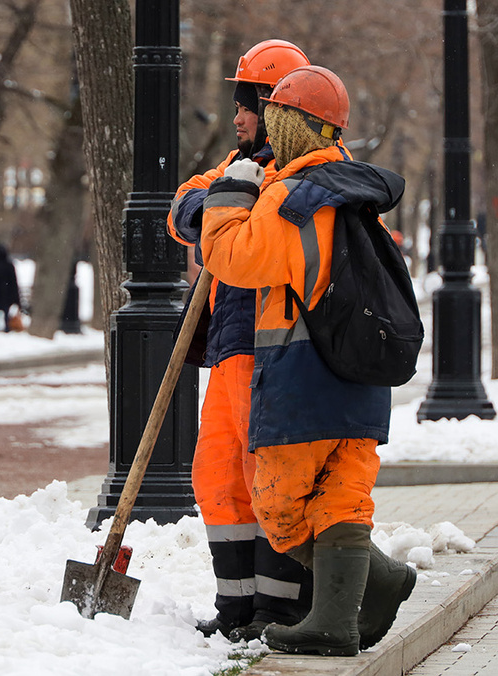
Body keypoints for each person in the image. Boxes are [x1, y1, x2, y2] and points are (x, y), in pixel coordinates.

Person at [200, 65, 415, 656]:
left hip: (305, 378)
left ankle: (375, 586)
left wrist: (229, 197)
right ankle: (337, 623)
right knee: (343, 497)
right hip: (363, 379)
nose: (266, 125)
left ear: (295, 126)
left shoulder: (294, 198)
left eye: (277, 118)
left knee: (280, 508)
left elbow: (234, 259)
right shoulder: (357, 188)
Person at [166, 39, 314, 642]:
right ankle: (238, 608)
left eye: (245, 106)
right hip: (231, 350)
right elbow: (182, 210)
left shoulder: (305, 176)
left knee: (269, 481)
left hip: (277, 351)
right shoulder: (235, 169)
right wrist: (226, 198)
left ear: (273, 107)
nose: (237, 118)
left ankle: (281, 608)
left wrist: (237, 204)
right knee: (218, 476)